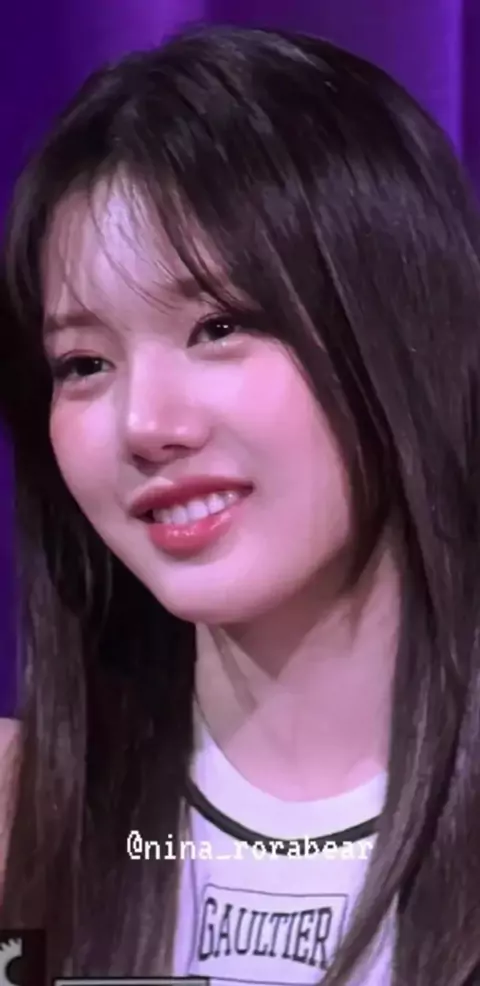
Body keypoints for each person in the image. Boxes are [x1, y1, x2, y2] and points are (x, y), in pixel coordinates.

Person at [1, 22, 480, 986]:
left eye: (219, 325)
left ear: (396, 325)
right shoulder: (16, 820)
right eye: (84, 363)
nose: (146, 424)